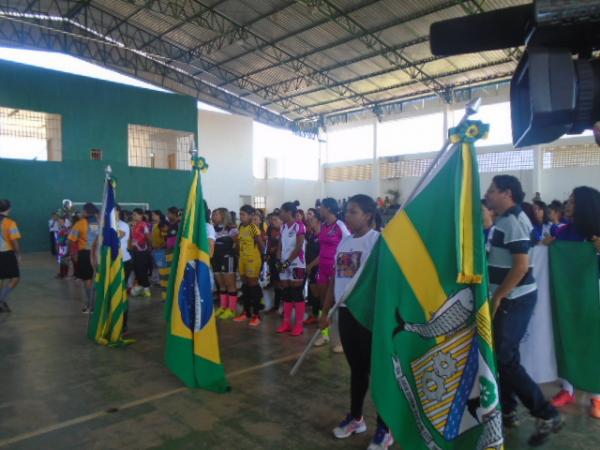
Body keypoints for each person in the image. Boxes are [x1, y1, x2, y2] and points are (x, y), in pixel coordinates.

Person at [484, 175, 563, 446]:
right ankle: (508, 409)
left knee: (505, 359)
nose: (487, 195)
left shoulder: (515, 221)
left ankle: (546, 412)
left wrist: (498, 297)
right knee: (504, 357)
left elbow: (520, 267)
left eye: (492, 191)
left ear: (507, 194)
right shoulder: (504, 221)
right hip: (510, 298)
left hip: (513, 299)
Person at [319, 194, 393, 450]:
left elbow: (386, 283)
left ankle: (385, 428)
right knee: (357, 370)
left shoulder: (378, 242)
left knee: (378, 373)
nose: (347, 216)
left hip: (368, 315)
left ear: (368, 215)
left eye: (353, 212)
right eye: (347, 211)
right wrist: (325, 310)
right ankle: (356, 418)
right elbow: (333, 279)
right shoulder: (345, 241)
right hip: (346, 313)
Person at [543, 186, 600, 419]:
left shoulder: (596, 234)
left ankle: (597, 395)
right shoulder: (562, 232)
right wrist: (546, 247)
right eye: (568, 200)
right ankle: (568, 388)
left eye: (573, 201)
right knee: (566, 338)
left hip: (594, 300)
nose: (567, 204)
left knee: (594, 344)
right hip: (568, 299)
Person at [315, 197, 350, 350]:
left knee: (337, 303)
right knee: (324, 303)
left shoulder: (340, 226)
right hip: (322, 268)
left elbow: (349, 244)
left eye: (321, 207)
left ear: (328, 208)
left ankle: (341, 340)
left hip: (335, 269)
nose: (319, 209)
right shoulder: (323, 225)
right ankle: (324, 335)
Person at [276, 201, 307, 336]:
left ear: (289, 212)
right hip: (284, 263)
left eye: (281, 211)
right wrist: (278, 260)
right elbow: (280, 246)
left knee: (296, 293)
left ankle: (299, 324)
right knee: (287, 292)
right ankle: (287, 322)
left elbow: (299, 247)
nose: (280, 214)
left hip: (296, 263)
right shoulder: (282, 227)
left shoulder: (300, 226)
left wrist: (287, 262)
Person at [234, 205, 264, 326]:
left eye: (243, 214)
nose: (241, 217)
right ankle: (246, 313)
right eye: (240, 214)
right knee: (245, 286)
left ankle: (256, 315)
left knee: (253, 286)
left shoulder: (253, 228)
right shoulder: (241, 227)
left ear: (251, 215)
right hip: (243, 260)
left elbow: (261, 244)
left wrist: (264, 259)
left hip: (253, 260)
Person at [68, 202, 100, 313]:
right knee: (96, 279)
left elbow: (71, 240)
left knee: (87, 280)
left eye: (83, 211)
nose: (82, 213)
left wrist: (73, 253)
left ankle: (90, 305)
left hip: (86, 255)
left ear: (86, 212)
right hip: (98, 254)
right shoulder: (99, 223)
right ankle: (98, 304)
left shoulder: (80, 223)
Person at [211, 208, 239, 320]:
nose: (213, 217)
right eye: (212, 215)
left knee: (230, 284)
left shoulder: (231, 228)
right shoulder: (211, 229)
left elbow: (238, 243)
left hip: (228, 258)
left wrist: (233, 254)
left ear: (223, 215)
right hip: (216, 259)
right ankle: (223, 306)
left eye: (216, 214)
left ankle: (232, 309)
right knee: (221, 284)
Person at [0, 200, 21, 313]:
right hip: (6, 254)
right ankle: (1, 299)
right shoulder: (10, 223)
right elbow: (14, 241)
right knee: (15, 278)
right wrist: (18, 254)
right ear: (9, 208)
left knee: (1, 278)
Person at [116, 206, 133, 333]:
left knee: (121, 292)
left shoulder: (123, 225)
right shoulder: (107, 225)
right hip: (110, 262)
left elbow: (116, 237)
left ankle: (123, 324)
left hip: (123, 261)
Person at [130, 208, 152, 298]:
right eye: (133, 214)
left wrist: (150, 247)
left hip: (143, 252)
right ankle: (141, 288)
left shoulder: (144, 225)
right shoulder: (134, 225)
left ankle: (147, 289)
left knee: (142, 270)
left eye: (135, 214)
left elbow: (148, 237)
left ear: (141, 215)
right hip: (135, 251)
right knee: (137, 270)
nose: (133, 216)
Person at [304, 211, 321, 325]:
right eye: (308, 221)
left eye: (311, 220)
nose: (309, 222)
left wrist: (311, 265)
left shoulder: (321, 236)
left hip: (318, 267)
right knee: (313, 292)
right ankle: (315, 315)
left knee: (318, 293)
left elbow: (322, 255)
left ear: (318, 221)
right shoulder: (311, 235)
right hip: (311, 267)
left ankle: (319, 316)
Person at [266, 212, 283, 312]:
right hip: (272, 258)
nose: (273, 222)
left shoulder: (284, 229)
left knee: (283, 283)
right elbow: (268, 242)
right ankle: (275, 306)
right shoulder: (270, 229)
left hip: (281, 258)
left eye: (275, 219)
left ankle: (286, 307)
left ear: (281, 220)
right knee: (275, 282)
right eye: (272, 220)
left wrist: (276, 248)